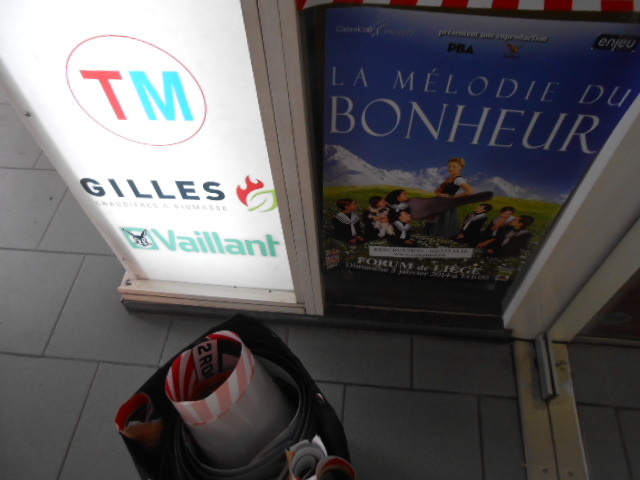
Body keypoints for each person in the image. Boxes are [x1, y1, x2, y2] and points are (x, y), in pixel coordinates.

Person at [425, 157, 475, 237]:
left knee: (444, 218)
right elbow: (437, 190)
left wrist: (454, 196)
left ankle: (439, 234)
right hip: (440, 201)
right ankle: (432, 233)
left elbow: (471, 190)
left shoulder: (459, 179)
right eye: (449, 166)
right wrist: (440, 194)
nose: (451, 168)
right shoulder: (449, 178)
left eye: (454, 166)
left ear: (461, 167)